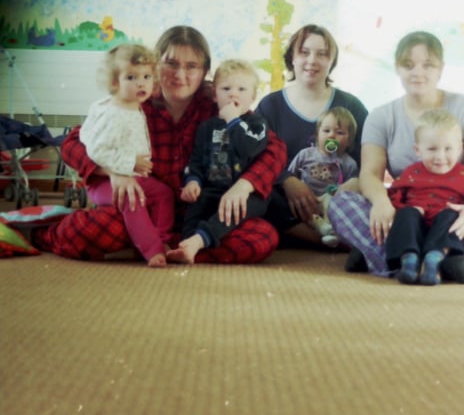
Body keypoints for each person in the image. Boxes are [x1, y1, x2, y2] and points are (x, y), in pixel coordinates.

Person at [33, 26, 287, 264]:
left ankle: (170, 248)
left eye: (192, 66)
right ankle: (45, 233)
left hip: (203, 214)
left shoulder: (219, 104)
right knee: (94, 229)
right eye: (171, 64)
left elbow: (274, 149)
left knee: (262, 237)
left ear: (204, 71)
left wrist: (244, 186)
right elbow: (73, 143)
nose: (180, 75)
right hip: (144, 212)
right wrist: (113, 171)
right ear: (156, 66)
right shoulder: (133, 99)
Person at [328, 30, 464, 278]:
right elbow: (369, 174)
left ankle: (393, 259)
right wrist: (381, 203)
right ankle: (438, 263)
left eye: (427, 65)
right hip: (403, 216)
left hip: (452, 216)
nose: (417, 72)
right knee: (341, 203)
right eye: (409, 65)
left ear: (440, 69)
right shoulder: (381, 116)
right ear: (397, 68)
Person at [256, 24, 368, 246]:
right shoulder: (271, 106)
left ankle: (334, 233)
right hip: (287, 204)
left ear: (331, 61)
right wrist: (287, 181)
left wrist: (346, 188)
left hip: (338, 198)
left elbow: (370, 161)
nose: (312, 60)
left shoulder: (351, 106)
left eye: (322, 54)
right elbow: (257, 159)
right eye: (304, 52)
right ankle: (325, 240)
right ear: (292, 58)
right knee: (257, 197)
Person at [80, 43, 174, 268]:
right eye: (131, 77)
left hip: (133, 175)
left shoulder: (134, 105)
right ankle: (152, 250)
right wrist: (127, 164)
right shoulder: (113, 113)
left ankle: (162, 240)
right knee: (133, 199)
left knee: (163, 194)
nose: (141, 83)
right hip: (104, 182)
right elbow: (97, 150)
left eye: (146, 76)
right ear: (115, 82)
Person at [167, 59, 269, 264]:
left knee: (236, 209)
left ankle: (199, 241)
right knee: (195, 206)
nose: (233, 94)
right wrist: (192, 181)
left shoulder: (257, 124)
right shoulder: (207, 127)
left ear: (253, 96)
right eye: (226, 88)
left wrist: (233, 121)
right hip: (212, 188)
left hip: (245, 195)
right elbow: (196, 160)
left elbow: (248, 148)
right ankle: (186, 245)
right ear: (214, 95)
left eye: (241, 89)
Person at [385, 109, 464, 285]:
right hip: (415, 226)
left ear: (459, 149)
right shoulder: (412, 172)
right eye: (432, 149)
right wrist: (405, 209)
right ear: (418, 150)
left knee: (451, 215)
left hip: (443, 227)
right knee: (407, 214)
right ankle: (409, 260)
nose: (440, 156)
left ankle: (433, 260)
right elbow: (394, 194)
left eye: (448, 149)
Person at [286, 106, 359, 247]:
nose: (331, 135)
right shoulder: (305, 155)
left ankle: (331, 231)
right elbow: (291, 175)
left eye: (339, 132)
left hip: (329, 200)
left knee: (331, 203)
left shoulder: (348, 162)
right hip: (307, 199)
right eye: (326, 131)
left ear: (349, 141)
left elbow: (352, 188)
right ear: (317, 134)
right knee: (302, 210)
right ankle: (323, 229)